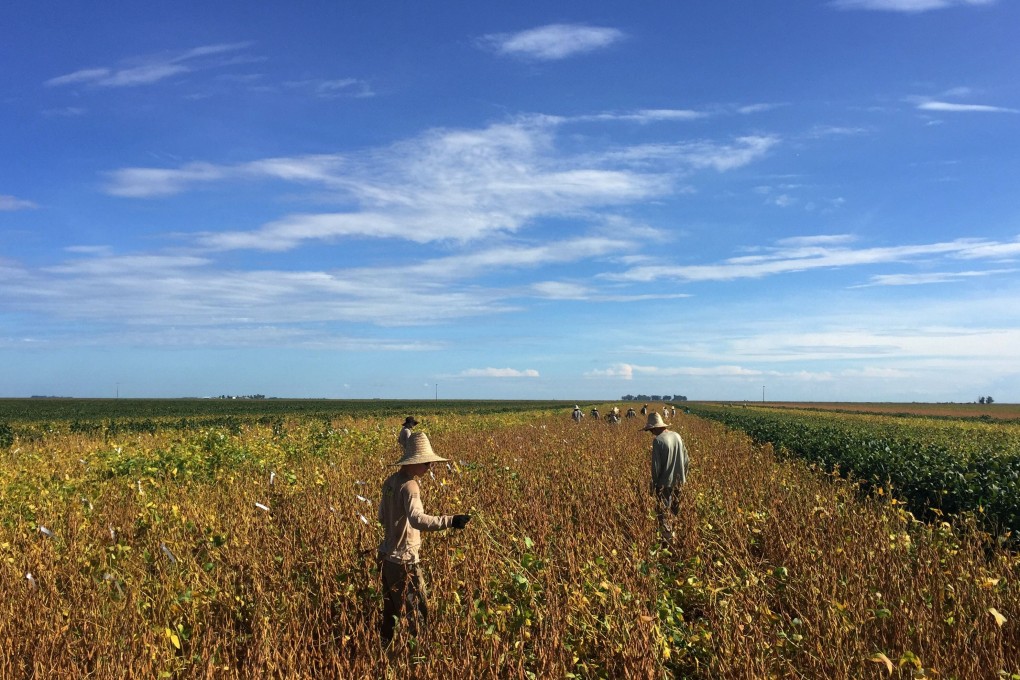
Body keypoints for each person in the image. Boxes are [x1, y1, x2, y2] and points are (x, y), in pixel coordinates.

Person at [377, 432, 470, 647]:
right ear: (416, 462)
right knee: (417, 612)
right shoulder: (410, 486)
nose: (430, 467)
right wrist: (451, 520)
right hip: (404, 560)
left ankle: (383, 652)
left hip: (385, 557)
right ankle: (417, 658)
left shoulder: (390, 482)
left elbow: (382, 517)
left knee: (390, 612)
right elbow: (417, 519)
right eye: (427, 463)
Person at [642, 411, 689, 542]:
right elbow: (686, 460)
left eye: (651, 430)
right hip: (680, 481)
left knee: (663, 512)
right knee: (675, 510)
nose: (651, 432)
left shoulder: (658, 441)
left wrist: (654, 485)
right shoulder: (677, 436)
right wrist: (683, 477)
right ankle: (676, 535)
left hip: (664, 483)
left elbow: (656, 467)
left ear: (656, 428)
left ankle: (667, 541)